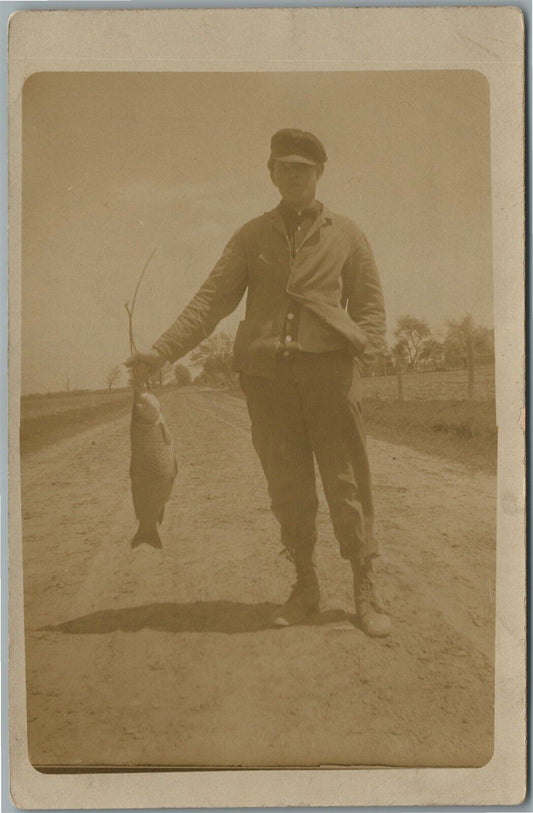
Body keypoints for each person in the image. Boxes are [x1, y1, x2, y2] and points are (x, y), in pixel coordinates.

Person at [126, 128, 391, 637]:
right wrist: (159, 352)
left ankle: (365, 585)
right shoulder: (250, 237)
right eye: (284, 168)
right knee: (288, 488)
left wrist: (361, 359)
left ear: (319, 174)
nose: (294, 176)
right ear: (271, 174)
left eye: (304, 168)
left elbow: (372, 310)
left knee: (346, 483)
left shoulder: (349, 235)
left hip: (330, 381)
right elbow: (209, 303)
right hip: (268, 385)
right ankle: (306, 586)